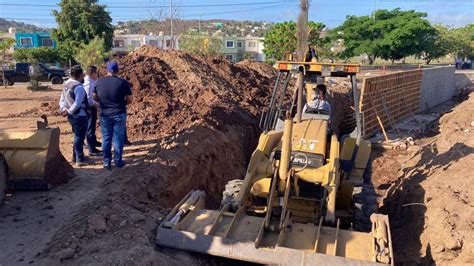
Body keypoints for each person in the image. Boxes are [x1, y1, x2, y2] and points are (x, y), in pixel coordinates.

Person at [94, 61, 133, 170]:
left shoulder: (98, 82)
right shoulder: (123, 82)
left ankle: (106, 162)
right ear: (118, 70)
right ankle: (118, 160)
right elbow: (130, 99)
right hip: (119, 113)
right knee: (118, 138)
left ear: (107, 70)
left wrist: (103, 103)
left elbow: (94, 97)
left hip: (104, 114)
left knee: (106, 138)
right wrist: (121, 104)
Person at [59, 65, 90, 166]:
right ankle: (80, 159)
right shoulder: (79, 87)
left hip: (71, 116)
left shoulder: (66, 85)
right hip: (80, 115)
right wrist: (69, 111)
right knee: (79, 137)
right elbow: (77, 103)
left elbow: (62, 100)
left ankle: (75, 156)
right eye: (82, 75)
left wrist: (64, 109)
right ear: (80, 75)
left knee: (77, 136)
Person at [84, 66, 102, 156]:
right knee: (90, 127)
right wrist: (98, 105)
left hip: (91, 107)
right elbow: (88, 99)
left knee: (92, 125)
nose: (97, 75)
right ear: (92, 73)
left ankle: (94, 142)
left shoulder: (91, 81)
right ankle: (92, 149)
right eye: (96, 73)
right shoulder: (89, 83)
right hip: (90, 107)